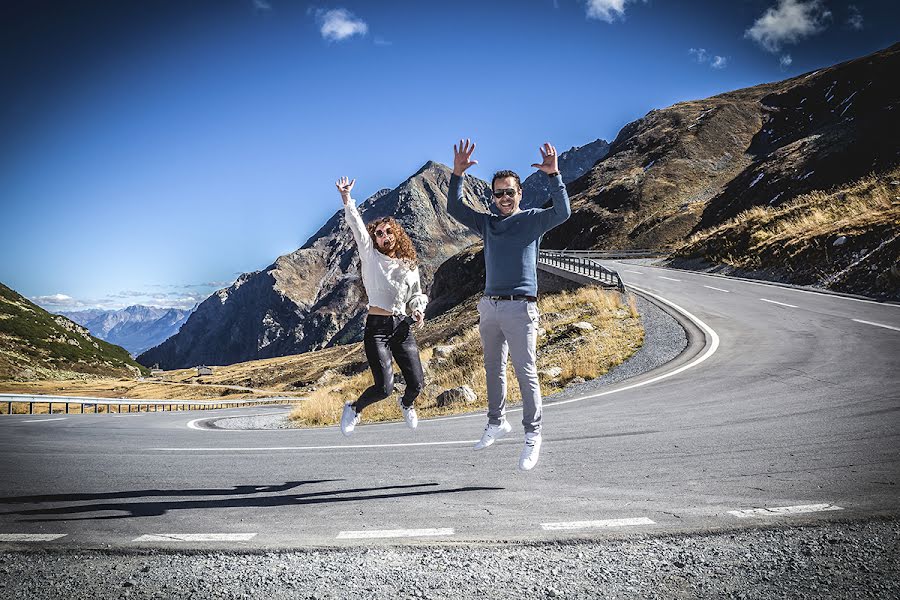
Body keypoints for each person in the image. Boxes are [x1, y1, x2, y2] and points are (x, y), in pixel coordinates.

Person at [446, 140, 571, 471]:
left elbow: (563, 212)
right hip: (490, 306)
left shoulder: (532, 220)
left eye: (509, 193)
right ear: (493, 196)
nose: (504, 198)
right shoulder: (487, 224)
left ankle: (533, 435)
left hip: (520, 307)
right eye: (498, 193)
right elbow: (455, 209)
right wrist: (457, 174)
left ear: (520, 194)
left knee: (525, 371)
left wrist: (554, 174)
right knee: (493, 369)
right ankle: (496, 422)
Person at [335, 176, 428, 436]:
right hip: (376, 329)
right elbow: (355, 225)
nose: (384, 236)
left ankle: (407, 403)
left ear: (397, 235)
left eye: (389, 232)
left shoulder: (410, 265)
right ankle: (354, 409)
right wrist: (346, 198)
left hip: (403, 328)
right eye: (379, 233)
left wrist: (418, 310)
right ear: (374, 239)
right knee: (384, 387)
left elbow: (416, 295)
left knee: (417, 384)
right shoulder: (370, 255)